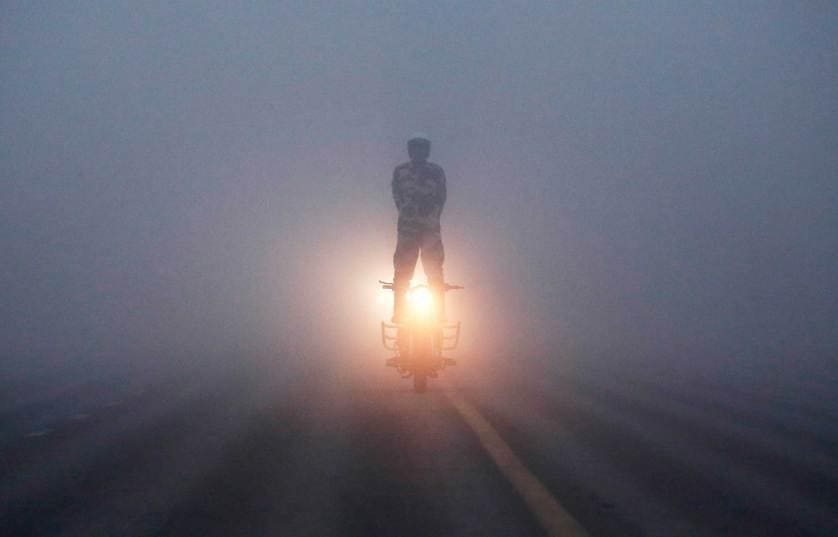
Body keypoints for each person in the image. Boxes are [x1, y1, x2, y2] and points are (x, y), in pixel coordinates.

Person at [391, 133, 447, 322]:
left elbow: (442, 197)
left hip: (430, 227)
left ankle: (439, 313)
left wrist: (432, 216)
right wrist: (406, 213)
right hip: (408, 227)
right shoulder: (400, 171)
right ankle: (399, 312)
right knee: (402, 269)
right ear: (410, 151)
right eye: (415, 149)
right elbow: (396, 194)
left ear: (427, 152)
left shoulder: (436, 171)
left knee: (434, 269)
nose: (418, 153)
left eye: (422, 149)